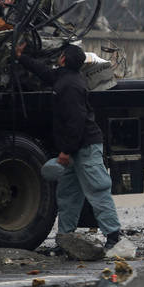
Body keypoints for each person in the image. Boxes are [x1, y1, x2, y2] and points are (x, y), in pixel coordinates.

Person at [16, 43, 124, 255]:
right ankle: (65, 242)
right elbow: (45, 72)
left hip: (85, 147)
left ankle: (113, 237)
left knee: (97, 189)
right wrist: (21, 57)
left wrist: (66, 151)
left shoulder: (70, 86)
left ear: (64, 59)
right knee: (67, 195)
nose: (58, 57)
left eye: (61, 54)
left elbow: (76, 122)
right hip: (75, 148)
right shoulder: (64, 78)